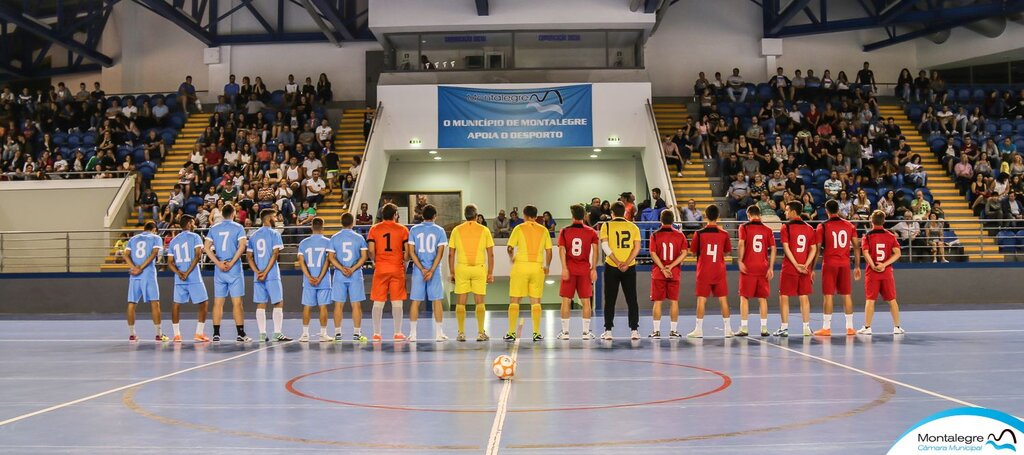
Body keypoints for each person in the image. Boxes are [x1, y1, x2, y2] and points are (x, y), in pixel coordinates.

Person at [503, 205, 553, 341]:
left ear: (524, 216)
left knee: (515, 300)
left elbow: (509, 247)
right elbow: (549, 251)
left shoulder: (519, 228)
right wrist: (547, 265)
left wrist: (511, 257)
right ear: (536, 216)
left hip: (521, 266)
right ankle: (536, 333)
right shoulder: (543, 230)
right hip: (537, 268)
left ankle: (511, 333)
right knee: (536, 301)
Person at [203, 204, 251, 342]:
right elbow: (242, 246)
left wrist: (218, 263)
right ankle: (240, 333)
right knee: (237, 303)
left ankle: (216, 334)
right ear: (233, 213)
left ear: (222, 214)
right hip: (233, 268)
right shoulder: (238, 227)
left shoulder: (214, 228)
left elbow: (206, 248)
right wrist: (231, 262)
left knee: (218, 302)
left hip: (219, 268)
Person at [814, 199, 861, 337]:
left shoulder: (822, 226)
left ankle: (826, 328)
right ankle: (850, 327)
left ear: (826, 211)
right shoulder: (849, 225)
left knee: (828, 296)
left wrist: (811, 268)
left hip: (829, 264)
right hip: (845, 264)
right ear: (838, 210)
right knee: (846, 295)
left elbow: (817, 249)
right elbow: (857, 247)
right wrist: (857, 266)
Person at [448, 204, 495, 341]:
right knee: (479, 301)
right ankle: (480, 333)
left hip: (462, 268)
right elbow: (491, 254)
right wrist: (490, 272)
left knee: (461, 302)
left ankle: (461, 333)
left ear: (465, 215)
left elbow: (451, 254)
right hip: (479, 268)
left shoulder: (456, 230)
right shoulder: (484, 230)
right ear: (476, 215)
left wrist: (452, 272)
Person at [687, 204, 733, 338]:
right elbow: (726, 251)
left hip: (704, 271)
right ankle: (728, 329)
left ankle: (699, 330)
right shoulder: (724, 234)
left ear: (705, 216)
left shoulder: (699, 234)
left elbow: (693, 252)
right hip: (719, 270)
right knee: (723, 300)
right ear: (718, 216)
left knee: (701, 301)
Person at [246, 209, 291, 343]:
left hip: (258, 276)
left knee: (261, 303)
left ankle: (261, 334)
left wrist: (258, 271)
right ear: (268, 219)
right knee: (278, 302)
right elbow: (275, 254)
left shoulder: (254, 235)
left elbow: (249, 257)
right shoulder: (274, 234)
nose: (276, 219)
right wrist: (265, 272)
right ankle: (277, 333)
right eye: (274, 217)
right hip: (271, 274)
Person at [599, 201, 641, 340]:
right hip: (629, 267)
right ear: (624, 212)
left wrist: (617, 262)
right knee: (632, 299)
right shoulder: (633, 226)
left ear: (611, 213)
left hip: (612, 266)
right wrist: (627, 263)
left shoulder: (606, 225)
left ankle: (608, 330)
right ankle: (634, 330)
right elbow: (637, 247)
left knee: (610, 299)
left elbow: (605, 246)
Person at [367, 203, 409, 341]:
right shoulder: (403, 229)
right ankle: (397, 333)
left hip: (381, 268)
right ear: (395, 214)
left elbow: (371, 250)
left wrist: (374, 261)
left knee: (378, 302)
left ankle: (376, 334)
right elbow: (407, 251)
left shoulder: (374, 229)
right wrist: (404, 260)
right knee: (397, 302)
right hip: (397, 268)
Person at [556, 204, 599, 340]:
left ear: (572, 216)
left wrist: (564, 267)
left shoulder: (564, 231)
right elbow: (596, 251)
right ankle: (586, 333)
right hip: (584, 269)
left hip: (569, 268)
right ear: (584, 216)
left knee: (566, 300)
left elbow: (561, 250)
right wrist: (594, 269)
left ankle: (565, 333)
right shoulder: (591, 231)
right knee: (586, 301)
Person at [407, 205, 449, 342]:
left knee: (415, 301)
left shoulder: (414, 229)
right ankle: (439, 334)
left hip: (419, 270)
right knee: (437, 300)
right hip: (434, 270)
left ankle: (413, 334)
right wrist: (431, 270)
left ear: (422, 216)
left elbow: (411, 252)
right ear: (435, 216)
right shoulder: (440, 230)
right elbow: (440, 253)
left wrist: (422, 268)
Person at [859, 210, 905, 335]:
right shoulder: (890, 236)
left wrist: (873, 265)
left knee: (870, 300)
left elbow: (866, 253)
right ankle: (897, 327)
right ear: (884, 221)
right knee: (892, 300)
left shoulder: (867, 236)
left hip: (872, 273)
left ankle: (868, 328)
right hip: (886, 272)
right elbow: (898, 253)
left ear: (871, 221)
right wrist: (884, 265)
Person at [166, 215, 210, 342]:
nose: (194, 224)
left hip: (180, 278)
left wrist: (180, 274)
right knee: (204, 302)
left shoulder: (174, 240)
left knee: (176, 304)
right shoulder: (196, 237)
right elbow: (197, 256)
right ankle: (199, 333)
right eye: (193, 222)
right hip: (193, 276)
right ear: (189, 224)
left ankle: (176, 335)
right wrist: (187, 272)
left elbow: (169, 262)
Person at [778, 201, 818, 337]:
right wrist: (806, 265)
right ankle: (806, 327)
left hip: (790, 267)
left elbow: (786, 248)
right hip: (804, 268)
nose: (785, 212)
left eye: (787, 210)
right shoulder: (809, 228)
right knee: (804, 296)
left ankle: (784, 328)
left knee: (784, 296)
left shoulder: (786, 227)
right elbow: (813, 249)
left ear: (794, 212)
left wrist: (796, 265)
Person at [327, 212, 369, 341]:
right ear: (352, 223)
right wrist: (352, 269)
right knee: (356, 305)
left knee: (338, 305)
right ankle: (357, 333)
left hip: (340, 275)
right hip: (355, 274)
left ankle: (338, 334)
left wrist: (341, 268)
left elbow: (331, 258)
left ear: (341, 222)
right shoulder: (359, 238)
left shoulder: (334, 238)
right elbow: (364, 257)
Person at [648, 210, 689, 338]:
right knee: (674, 301)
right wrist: (670, 267)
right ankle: (673, 331)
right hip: (674, 273)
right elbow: (684, 253)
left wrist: (663, 268)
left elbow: (653, 253)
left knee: (658, 302)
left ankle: (656, 331)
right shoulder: (680, 235)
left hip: (659, 273)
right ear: (673, 220)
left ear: (661, 220)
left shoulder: (655, 235)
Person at [737, 204, 776, 338]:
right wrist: (771, 267)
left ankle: (744, 328)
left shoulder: (744, 227)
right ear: (759, 215)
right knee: (762, 298)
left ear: (748, 215)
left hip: (748, 266)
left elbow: (741, 244)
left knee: (744, 297)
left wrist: (740, 260)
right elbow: (773, 248)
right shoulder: (767, 229)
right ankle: (764, 328)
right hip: (763, 266)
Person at [124, 222, 165, 342]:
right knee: (155, 303)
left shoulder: (133, 238)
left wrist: (134, 268)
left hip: (134, 275)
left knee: (132, 303)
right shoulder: (156, 238)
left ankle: (132, 335)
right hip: (148, 274)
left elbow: (125, 255)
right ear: (153, 229)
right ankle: (159, 334)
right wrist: (141, 268)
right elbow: (155, 253)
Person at [297, 217, 333, 342]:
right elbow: (328, 262)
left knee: (307, 306)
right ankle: (323, 334)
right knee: (323, 307)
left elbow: (301, 263)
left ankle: (305, 334)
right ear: (323, 227)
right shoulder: (329, 242)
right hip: (323, 281)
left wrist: (309, 277)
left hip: (309, 281)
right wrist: (319, 278)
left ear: (311, 227)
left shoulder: (303, 243)